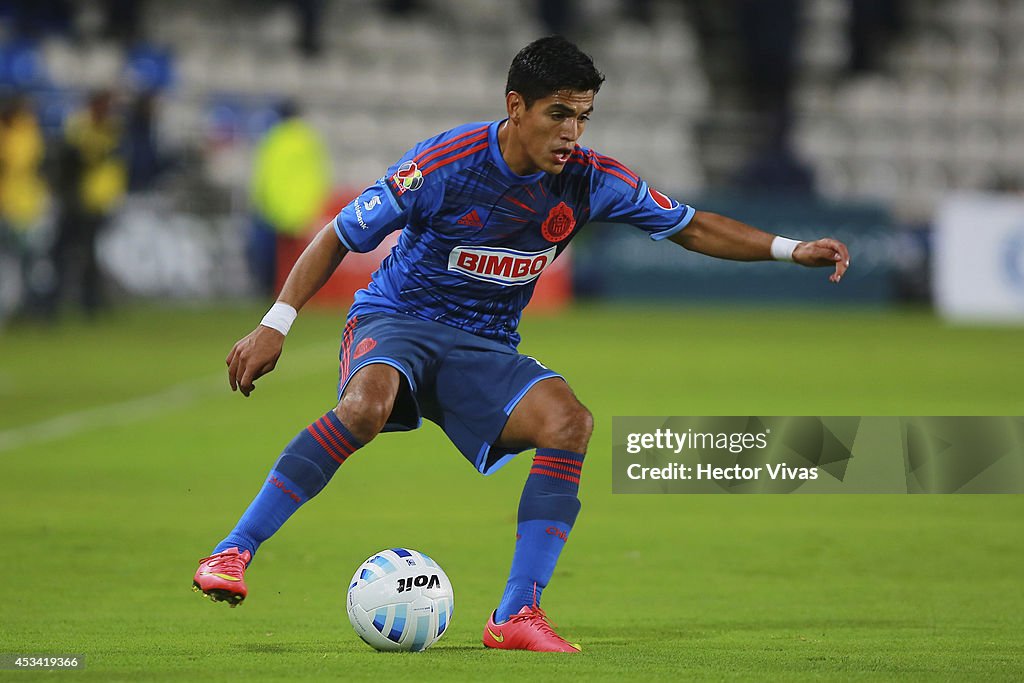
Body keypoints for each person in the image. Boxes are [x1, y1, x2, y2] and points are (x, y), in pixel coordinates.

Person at [192, 36, 850, 653]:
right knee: (365, 404)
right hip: (398, 320)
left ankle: (514, 613)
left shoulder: (592, 180)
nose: (571, 132)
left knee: (570, 420)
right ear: (516, 107)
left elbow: (692, 227)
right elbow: (339, 233)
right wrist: (275, 323)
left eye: (584, 116)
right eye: (558, 113)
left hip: (485, 345)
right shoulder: (441, 166)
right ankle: (234, 549)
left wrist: (791, 251)